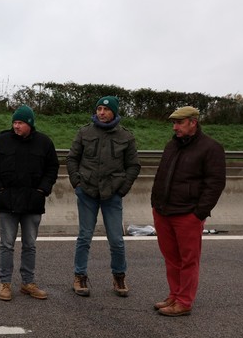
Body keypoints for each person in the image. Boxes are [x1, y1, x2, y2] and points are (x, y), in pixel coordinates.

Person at [150, 106, 226, 317]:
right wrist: (155, 203)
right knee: (171, 258)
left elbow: (215, 184)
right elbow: (161, 175)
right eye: (174, 123)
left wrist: (199, 213)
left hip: (187, 214)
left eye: (179, 123)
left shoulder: (211, 148)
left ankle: (184, 301)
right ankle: (174, 295)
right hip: (163, 211)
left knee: (188, 260)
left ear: (193, 122)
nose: (175, 127)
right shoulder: (172, 146)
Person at [66, 96, 141, 297]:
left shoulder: (126, 137)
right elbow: (72, 158)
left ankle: (119, 277)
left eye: (106, 110)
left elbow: (133, 165)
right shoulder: (84, 132)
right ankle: (79, 276)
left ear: (114, 112)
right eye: (98, 108)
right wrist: (77, 182)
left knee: (116, 239)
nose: (101, 112)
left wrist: (122, 189)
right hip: (87, 192)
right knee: (84, 236)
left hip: (112, 194)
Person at [0, 105, 59, 302]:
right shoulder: (1, 141)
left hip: (33, 203)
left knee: (30, 245)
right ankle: (5, 283)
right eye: (14, 122)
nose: (16, 126)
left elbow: (52, 168)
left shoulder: (44, 143)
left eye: (20, 123)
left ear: (30, 124)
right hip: (7, 202)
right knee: (6, 245)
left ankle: (28, 283)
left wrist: (42, 190)